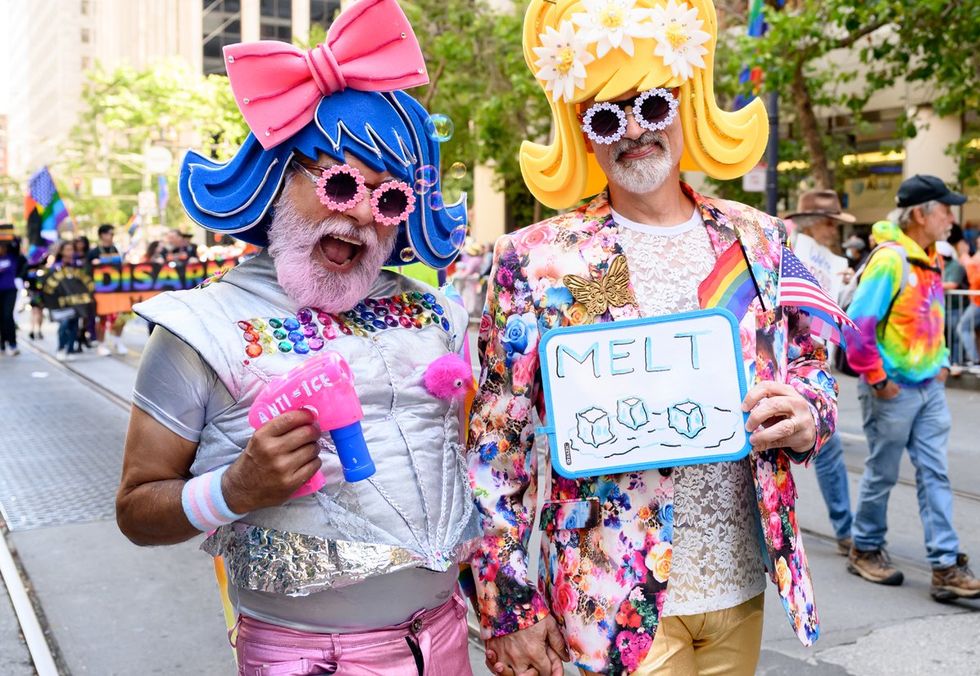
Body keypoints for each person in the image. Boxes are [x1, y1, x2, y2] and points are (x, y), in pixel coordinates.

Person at [467, 2, 838, 674]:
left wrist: (809, 412)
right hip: (605, 599)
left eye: (653, 105)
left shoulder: (759, 237)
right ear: (583, 133)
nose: (635, 131)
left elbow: (812, 361)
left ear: (685, 107)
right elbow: (495, 450)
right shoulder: (536, 257)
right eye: (608, 115)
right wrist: (508, 608)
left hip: (741, 584)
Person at [115, 2, 476, 673]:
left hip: (445, 640)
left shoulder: (438, 315)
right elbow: (138, 509)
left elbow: (468, 474)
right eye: (341, 185)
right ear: (280, 175)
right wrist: (236, 489)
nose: (363, 218)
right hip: (308, 659)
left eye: (388, 199)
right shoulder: (200, 329)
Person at [844, 174, 980, 600]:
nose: (951, 218)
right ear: (921, 214)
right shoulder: (892, 260)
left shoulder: (930, 258)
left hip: (927, 388)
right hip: (892, 390)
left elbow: (932, 317)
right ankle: (865, 547)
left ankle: (944, 564)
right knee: (883, 473)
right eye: (945, 209)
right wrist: (879, 379)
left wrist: (939, 362)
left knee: (935, 473)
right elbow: (858, 328)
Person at [785, 190, 855, 555]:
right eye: (833, 225)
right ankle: (846, 530)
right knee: (826, 448)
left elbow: (834, 314)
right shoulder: (784, 245)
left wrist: (843, 284)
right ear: (822, 224)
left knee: (824, 447)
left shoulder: (827, 259)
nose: (835, 232)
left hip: (812, 362)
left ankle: (846, 529)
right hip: (787, 361)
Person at [86, 224, 127, 356]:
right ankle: (101, 344)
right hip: (100, 292)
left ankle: (117, 340)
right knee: (102, 318)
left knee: (121, 316)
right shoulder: (93, 252)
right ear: (102, 235)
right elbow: (86, 273)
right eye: (110, 233)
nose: (112, 236)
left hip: (116, 289)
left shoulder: (115, 249)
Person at [47, 240, 80, 362]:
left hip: (76, 301)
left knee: (74, 325)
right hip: (61, 302)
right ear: (61, 251)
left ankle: (70, 349)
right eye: (67, 249)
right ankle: (61, 347)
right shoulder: (56, 267)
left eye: (71, 249)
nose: (70, 252)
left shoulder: (77, 265)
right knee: (63, 324)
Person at [955, 235, 980, 374]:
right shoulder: (975, 256)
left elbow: (975, 278)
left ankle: (975, 361)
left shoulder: (973, 259)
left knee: (962, 327)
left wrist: (968, 263)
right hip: (975, 300)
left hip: (977, 301)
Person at [0, 223, 26, 356]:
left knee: (7, 315)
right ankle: (2, 343)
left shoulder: (12, 257)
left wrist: (7, 233)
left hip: (10, 290)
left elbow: (16, 242)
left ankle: (12, 343)